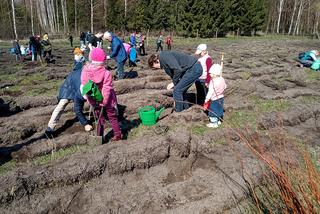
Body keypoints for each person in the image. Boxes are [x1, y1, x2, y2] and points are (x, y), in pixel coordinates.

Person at [46, 47, 92, 134]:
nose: (78, 56)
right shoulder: (78, 65)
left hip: (78, 85)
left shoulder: (86, 67)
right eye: (77, 54)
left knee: (78, 105)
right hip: (69, 86)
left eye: (80, 54)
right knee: (62, 105)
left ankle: (83, 119)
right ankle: (50, 127)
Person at [80, 47, 122, 142]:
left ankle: (100, 137)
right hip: (108, 101)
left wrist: (90, 100)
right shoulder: (106, 73)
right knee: (112, 117)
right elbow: (107, 89)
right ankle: (118, 135)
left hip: (94, 100)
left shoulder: (84, 71)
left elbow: (84, 87)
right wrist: (104, 101)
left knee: (99, 119)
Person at [204, 64, 226, 128]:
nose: (210, 74)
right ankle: (219, 120)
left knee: (213, 111)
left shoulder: (213, 82)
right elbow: (225, 87)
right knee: (219, 109)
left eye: (211, 73)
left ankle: (214, 123)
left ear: (215, 74)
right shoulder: (222, 79)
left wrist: (207, 99)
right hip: (221, 98)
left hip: (214, 99)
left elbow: (210, 92)